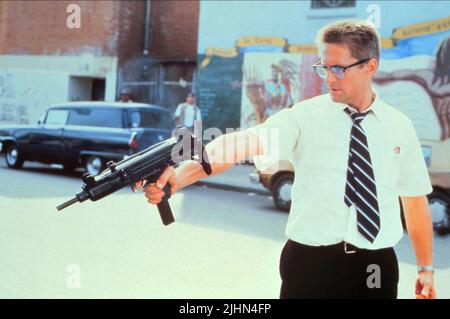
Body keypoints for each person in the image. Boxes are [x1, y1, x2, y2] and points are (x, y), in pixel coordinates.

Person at [139, 20, 436, 299]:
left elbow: (414, 199)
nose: (330, 78)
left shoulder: (399, 127)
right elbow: (243, 142)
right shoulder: (304, 118)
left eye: (339, 69)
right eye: (324, 68)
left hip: (376, 265)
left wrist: (425, 268)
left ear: (370, 66)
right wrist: (180, 176)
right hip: (310, 262)